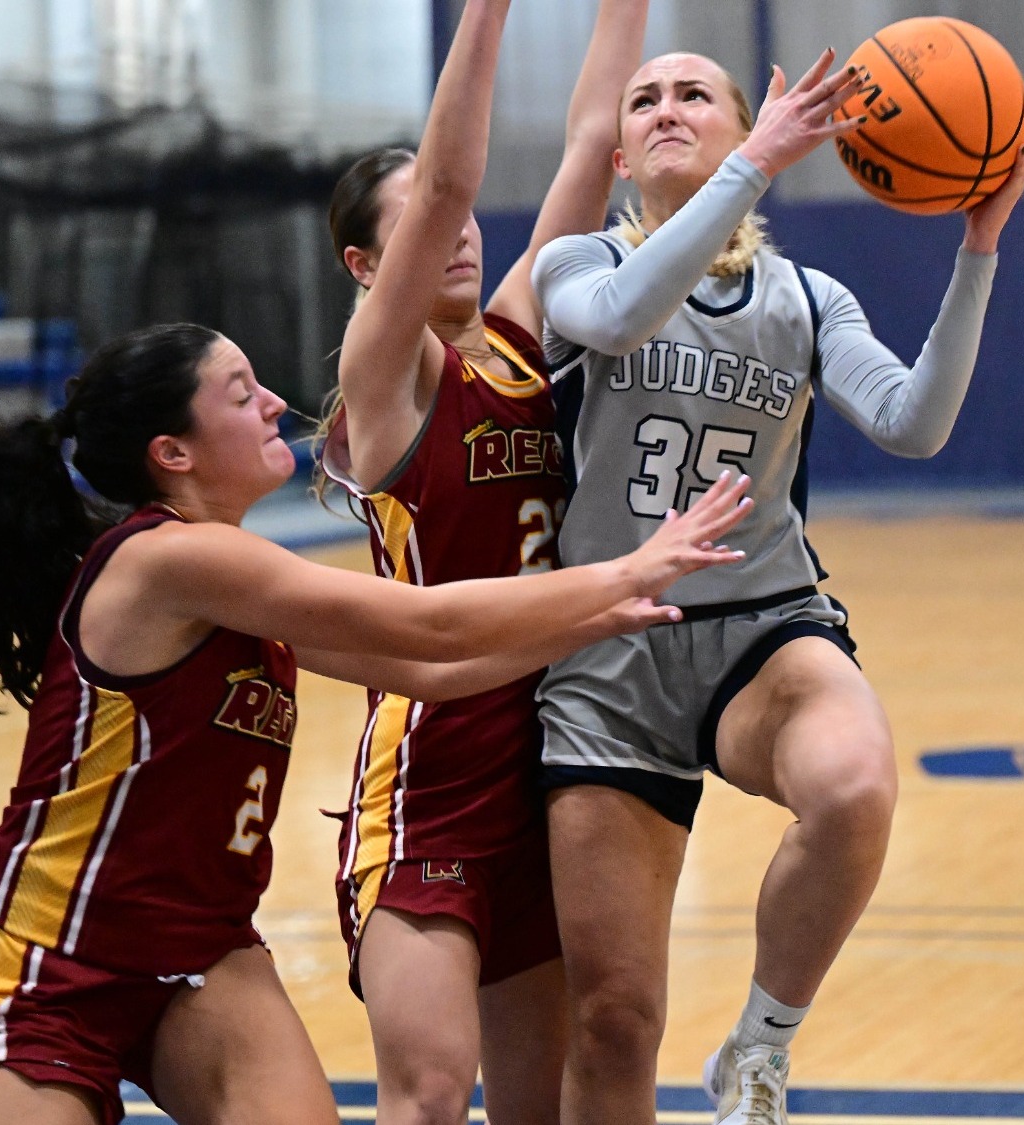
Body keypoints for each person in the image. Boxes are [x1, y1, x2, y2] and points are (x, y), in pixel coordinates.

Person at [0, 322, 751, 1125]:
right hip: (53, 957)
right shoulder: (168, 562)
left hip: (201, 953)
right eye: (242, 393)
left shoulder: (229, 573)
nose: (276, 399)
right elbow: (427, 621)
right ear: (175, 452)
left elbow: (435, 669)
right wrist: (627, 570)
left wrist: (598, 616)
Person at [529, 47, 1024, 1125]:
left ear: (737, 125)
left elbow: (914, 423)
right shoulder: (571, 266)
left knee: (854, 786)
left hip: (762, 627)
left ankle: (759, 1049)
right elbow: (621, 319)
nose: (669, 109)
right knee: (613, 1018)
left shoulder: (807, 299)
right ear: (618, 151)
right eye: (646, 99)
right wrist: (755, 162)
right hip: (605, 645)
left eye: (695, 94)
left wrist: (979, 248)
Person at [317, 0, 648, 1118]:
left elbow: (595, 148)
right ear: (368, 264)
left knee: (534, 1102)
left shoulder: (516, 335)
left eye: (449, 217)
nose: (453, 231)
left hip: (552, 759)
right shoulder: (389, 370)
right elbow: (455, 185)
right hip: (433, 770)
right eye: (414, 225)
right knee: (426, 1094)